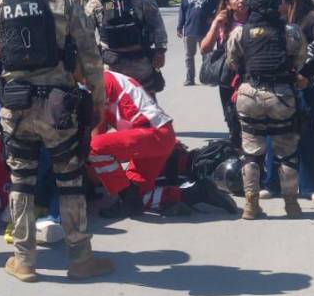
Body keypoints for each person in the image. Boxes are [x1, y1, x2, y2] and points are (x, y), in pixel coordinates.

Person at [0, 0, 111, 283]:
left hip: (15, 107)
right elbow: (89, 52)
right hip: (58, 108)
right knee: (70, 180)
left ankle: (23, 260)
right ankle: (81, 259)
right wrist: (98, 97)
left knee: (21, 182)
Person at [92, 69, 237, 218]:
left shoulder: (96, 84)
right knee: (139, 194)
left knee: (94, 148)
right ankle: (197, 193)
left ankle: (126, 195)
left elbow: (97, 135)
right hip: (159, 135)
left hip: (150, 135)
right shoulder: (109, 78)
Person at [225, 0, 307, 220]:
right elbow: (300, 60)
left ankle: (251, 205)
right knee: (286, 154)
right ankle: (292, 205)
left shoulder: (240, 32)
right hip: (282, 96)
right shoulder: (291, 32)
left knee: (251, 153)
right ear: (277, 4)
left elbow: (232, 61)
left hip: (249, 94)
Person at [261, 0, 314, 204]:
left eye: (279, 0)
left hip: (308, 84)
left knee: (307, 130)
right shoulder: (278, 19)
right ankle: (272, 183)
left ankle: (311, 186)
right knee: (274, 130)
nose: (276, 5)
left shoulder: (313, 17)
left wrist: (307, 74)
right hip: (281, 83)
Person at [86, 0, 167, 95]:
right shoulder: (95, 3)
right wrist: (90, 58)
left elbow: (157, 24)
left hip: (140, 63)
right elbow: (85, 34)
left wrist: (160, 51)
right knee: (112, 104)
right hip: (111, 64)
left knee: (147, 103)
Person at [201, 0, 248, 150]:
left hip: (251, 80)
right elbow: (205, 48)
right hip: (229, 82)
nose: (241, 0)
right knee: (233, 122)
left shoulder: (256, 21)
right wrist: (215, 24)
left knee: (250, 125)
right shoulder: (224, 23)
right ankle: (239, 156)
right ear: (228, 3)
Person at [176, 0, 221, 85]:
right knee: (189, 56)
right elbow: (182, 11)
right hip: (190, 29)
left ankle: (207, 77)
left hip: (205, 29)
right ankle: (190, 79)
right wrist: (179, 26)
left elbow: (221, 5)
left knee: (206, 54)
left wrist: (214, 17)